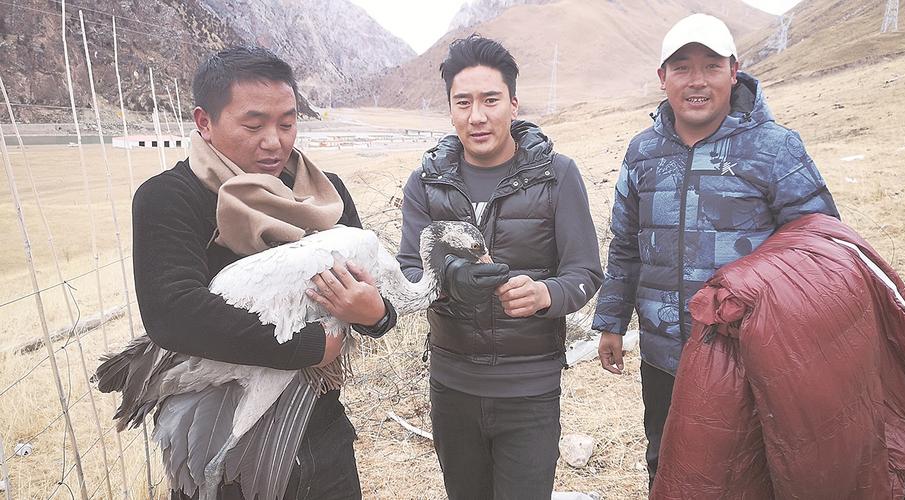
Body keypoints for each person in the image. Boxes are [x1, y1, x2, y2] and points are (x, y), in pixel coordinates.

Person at [132, 46, 396, 500]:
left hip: (321, 436)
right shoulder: (170, 198)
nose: (274, 141)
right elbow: (173, 313)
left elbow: (367, 296)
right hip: (224, 441)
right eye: (254, 126)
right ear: (204, 122)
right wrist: (310, 347)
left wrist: (376, 316)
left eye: (287, 124)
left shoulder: (326, 196)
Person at [591, 13, 840, 489]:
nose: (697, 80)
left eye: (711, 65)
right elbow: (625, 245)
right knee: (666, 465)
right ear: (662, 77)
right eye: (682, 67)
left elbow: (819, 248)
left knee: (750, 473)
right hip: (664, 356)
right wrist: (611, 322)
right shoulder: (642, 152)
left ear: (734, 71)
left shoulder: (775, 148)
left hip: (748, 357)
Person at [396, 34, 603, 500]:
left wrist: (545, 294)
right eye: (463, 102)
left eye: (490, 100)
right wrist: (451, 279)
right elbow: (409, 269)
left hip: (530, 390)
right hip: (451, 387)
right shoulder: (426, 183)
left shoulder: (557, 175)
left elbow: (585, 272)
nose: (477, 116)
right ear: (450, 109)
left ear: (513, 104)